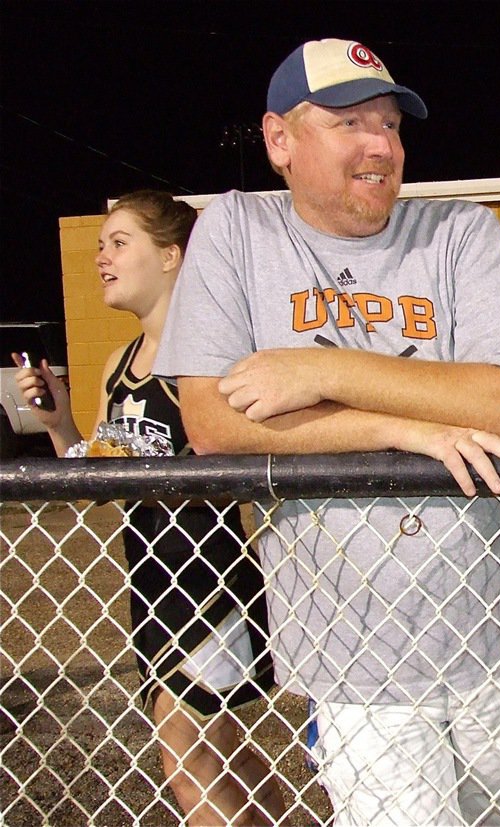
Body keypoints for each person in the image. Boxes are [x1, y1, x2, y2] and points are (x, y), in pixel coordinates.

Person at [154, 39, 500, 825]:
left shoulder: (459, 234)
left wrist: (321, 371)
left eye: (390, 124)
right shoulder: (238, 233)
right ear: (280, 140)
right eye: (350, 122)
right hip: (355, 658)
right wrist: (406, 426)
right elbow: (213, 420)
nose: (382, 145)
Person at [12, 191, 283, 825]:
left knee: (189, 769)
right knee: (231, 763)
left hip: (212, 584)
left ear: (171, 256)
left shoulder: (214, 360)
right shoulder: (116, 366)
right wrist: (60, 425)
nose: (100, 257)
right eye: (100, 245)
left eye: (118, 242)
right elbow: (100, 476)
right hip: (151, 586)